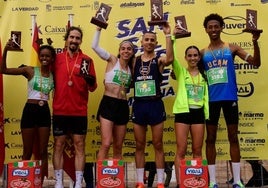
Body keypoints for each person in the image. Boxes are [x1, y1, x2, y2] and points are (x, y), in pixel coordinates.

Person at [201, 13, 261, 188]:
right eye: (210, 27)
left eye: (216, 26)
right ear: (206, 30)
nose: (213, 29)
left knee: (233, 137)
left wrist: (255, 41)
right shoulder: (203, 53)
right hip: (211, 100)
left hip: (230, 98)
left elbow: (256, 63)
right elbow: (191, 70)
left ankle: (237, 181)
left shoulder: (232, 48)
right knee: (210, 138)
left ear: (221, 27)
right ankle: (212, 181)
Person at [0, 41, 56, 185]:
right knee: (27, 150)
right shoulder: (30, 70)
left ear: (52, 58)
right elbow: (3, 70)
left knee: (43, 151)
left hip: (44, 111)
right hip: (30, 111)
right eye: (42, 55)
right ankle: (23, 182)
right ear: (39, 57)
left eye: (47, 56)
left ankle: (40, 182)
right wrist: (6, 50)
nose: (44, 58)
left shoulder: (53, 75)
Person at [52, 26, 97, 188]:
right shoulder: (56, 59)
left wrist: (90, 80)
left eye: (77, 38)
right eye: (72, 37)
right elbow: (46, 78)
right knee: (58, 145)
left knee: (79, 146)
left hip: (79, 111)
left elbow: (93, 87)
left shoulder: (87, 60)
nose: (74, 40)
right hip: (60, 110)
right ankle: (58, 182)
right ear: (66, 38)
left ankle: (78, 182)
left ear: (80, 41)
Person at [132, 22, 174, 188]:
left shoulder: (159, 60)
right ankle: (140, 181)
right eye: (146, 39)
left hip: (155, 104)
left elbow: (170, 59)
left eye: (152, 40)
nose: (149, 42)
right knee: (139, 145)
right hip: (139, 105)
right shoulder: (134, 61)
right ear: (141, 42)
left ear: (156, 43)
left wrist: (168, 35)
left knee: (158, 144)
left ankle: (160, 182)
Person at [171, 26, 209, 188]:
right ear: (185, 58)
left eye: (195, 55)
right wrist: (172, 37)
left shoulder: (205, 75)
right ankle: (181, 183)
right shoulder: (181, 72)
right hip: (183, 114)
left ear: (199, 57)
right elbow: (171, 57)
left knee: (197, 149)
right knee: (181, 149)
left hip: (199, 113)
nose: (193, 58)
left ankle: (196, 182)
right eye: (190, 55)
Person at [91, 27, 134, 160]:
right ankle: (101, 179)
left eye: (129, 49)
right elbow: (95, 46)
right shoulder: (113, 60)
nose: (126, 51)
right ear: (119, 51)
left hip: (122, 105)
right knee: (106, 142)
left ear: (132, 52)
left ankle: (116, 180)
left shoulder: (131, 68)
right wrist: (98, 29)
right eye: (123, 48)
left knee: (118, 146)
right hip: (108, 103)